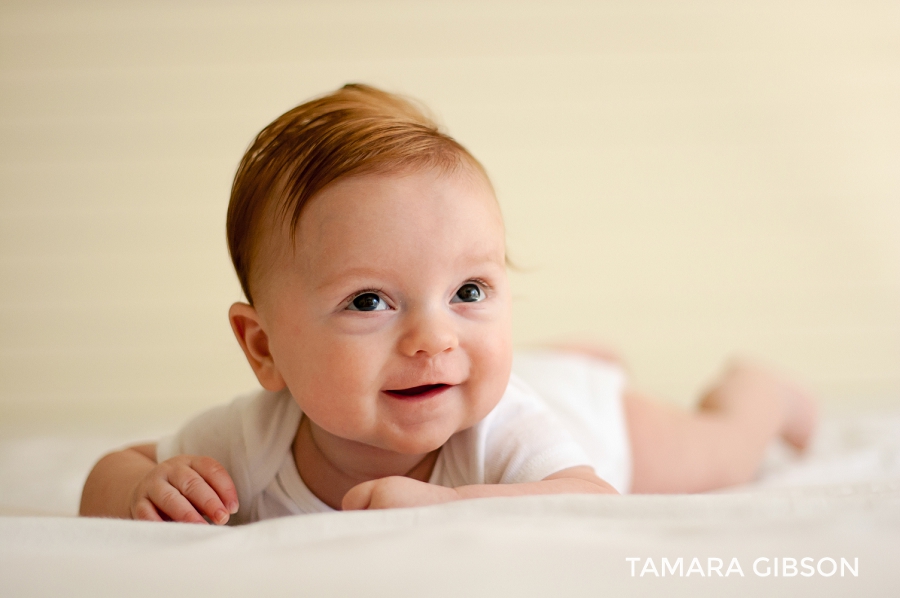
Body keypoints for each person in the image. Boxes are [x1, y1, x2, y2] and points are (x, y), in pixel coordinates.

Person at [79, 84, 816, 525]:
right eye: (369, 300)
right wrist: (144, 487)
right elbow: (113, 470)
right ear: (264, 349)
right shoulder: (249, 441)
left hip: (596, 423)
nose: (433, 337)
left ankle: (759, 390)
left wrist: (444, 511)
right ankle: (571, 356)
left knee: (720, 451)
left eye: (470, 292)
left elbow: (587, 499)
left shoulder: (505, 426)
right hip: (520, 377)